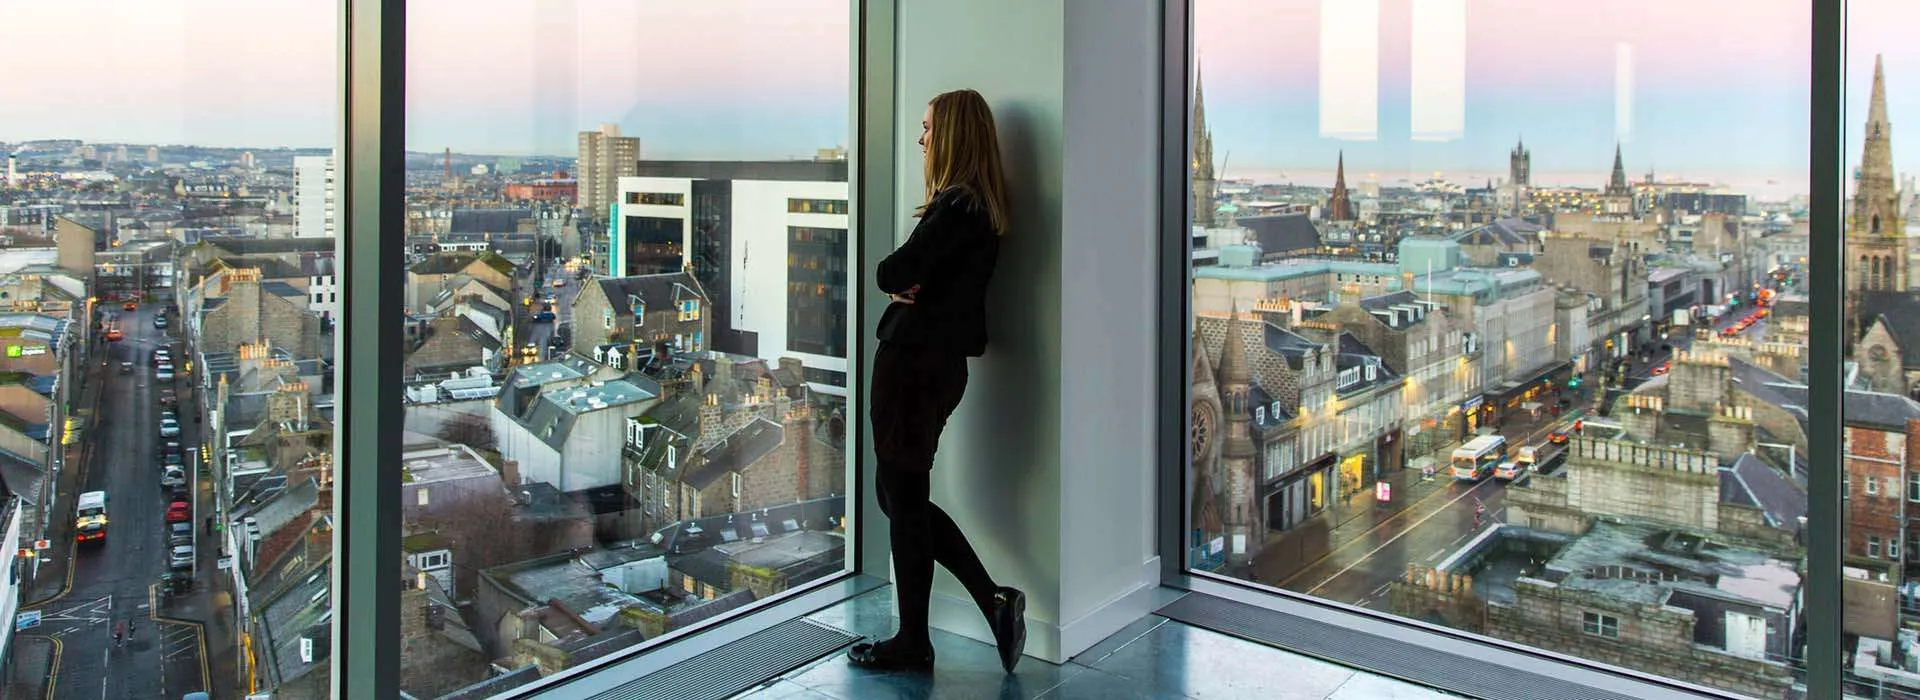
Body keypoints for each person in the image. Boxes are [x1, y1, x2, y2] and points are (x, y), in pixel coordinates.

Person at [846, 88, 1026, 675]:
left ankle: (916, 640)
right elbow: (910, 275)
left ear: (949, 134)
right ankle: (990, 601)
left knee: (902, 496)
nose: (921, 139)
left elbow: (890, 271)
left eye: (927, 128)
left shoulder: (958, 208)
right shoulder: (975, 210)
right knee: (898, 496)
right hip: (929, 366)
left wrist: (903, 280)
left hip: (914, 365)